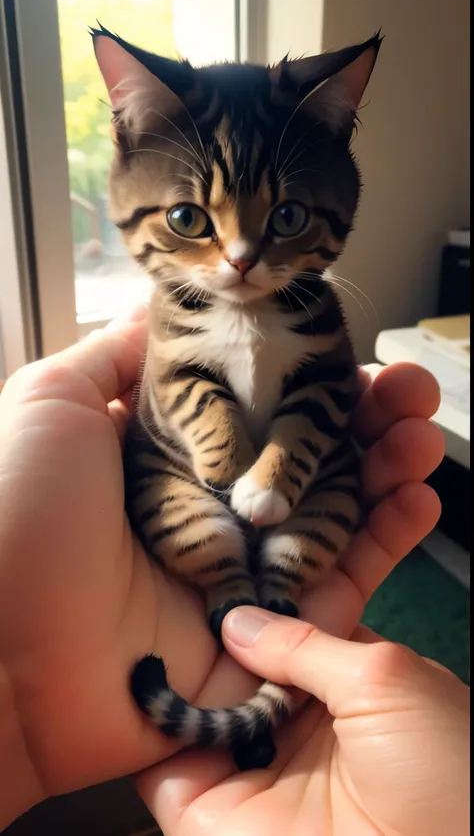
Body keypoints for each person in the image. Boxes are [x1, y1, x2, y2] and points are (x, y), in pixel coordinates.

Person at [0, 307, 468, 836]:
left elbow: (330, 402)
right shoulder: (173, 316)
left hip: (306, 501)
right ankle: (237, 603)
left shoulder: (317, 316)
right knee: (215, 551)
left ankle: (267, 625)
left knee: (321, 530)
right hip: (182, 491)